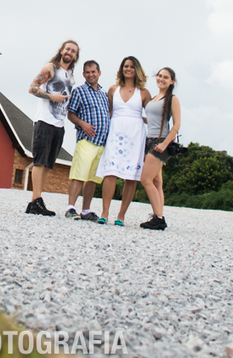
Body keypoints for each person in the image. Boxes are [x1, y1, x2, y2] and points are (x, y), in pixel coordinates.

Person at [25, 39, 79, 216]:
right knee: (39, 161)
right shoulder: (51, 68)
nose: (69, 52)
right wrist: (51, 97)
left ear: (75, 56)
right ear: (62, 50)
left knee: (48, 164)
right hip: (45, 121)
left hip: (59, 124)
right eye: (67, 49)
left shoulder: (70, 76)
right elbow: (32, 88)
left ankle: (36, 201)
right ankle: (36, 200)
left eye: (73, 51)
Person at [95, 56, 151, 226]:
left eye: (132, 67)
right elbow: (109, 112)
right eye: (125, 66)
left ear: (137, 70)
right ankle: (104, 212)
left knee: (131, 176)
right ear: (121, 69)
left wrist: (142, 120)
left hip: (135, 135)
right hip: (116, 132)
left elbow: (152, 116)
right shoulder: (113, 89)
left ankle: (121, 215)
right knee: (110, 173)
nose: (128, 69)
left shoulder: (144, 93)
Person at [64, 60, 110, 220]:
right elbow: (70, 114)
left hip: (102, 142)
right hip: (86, 140)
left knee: (92, 178)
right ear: (83, 74)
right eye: (88, 72)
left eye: (93, 72)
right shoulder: (79, 91)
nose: (91, 75)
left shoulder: (104, 94)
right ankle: (70, 208)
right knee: (79, 174)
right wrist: (82, 124)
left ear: (99, 73)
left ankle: (85, 210)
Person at [140, 67, 181, 230]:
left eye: (165, 77)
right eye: (159, 76)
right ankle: (158, 215)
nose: (161, 79)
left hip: (161, 142)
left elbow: (177, 125)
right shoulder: (154, 98)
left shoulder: (172, 99)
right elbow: (153, 120)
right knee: (157, 182)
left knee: (145, 179)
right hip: (149, 140)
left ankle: (159, 218)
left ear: (172, 81)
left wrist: (164, 144)